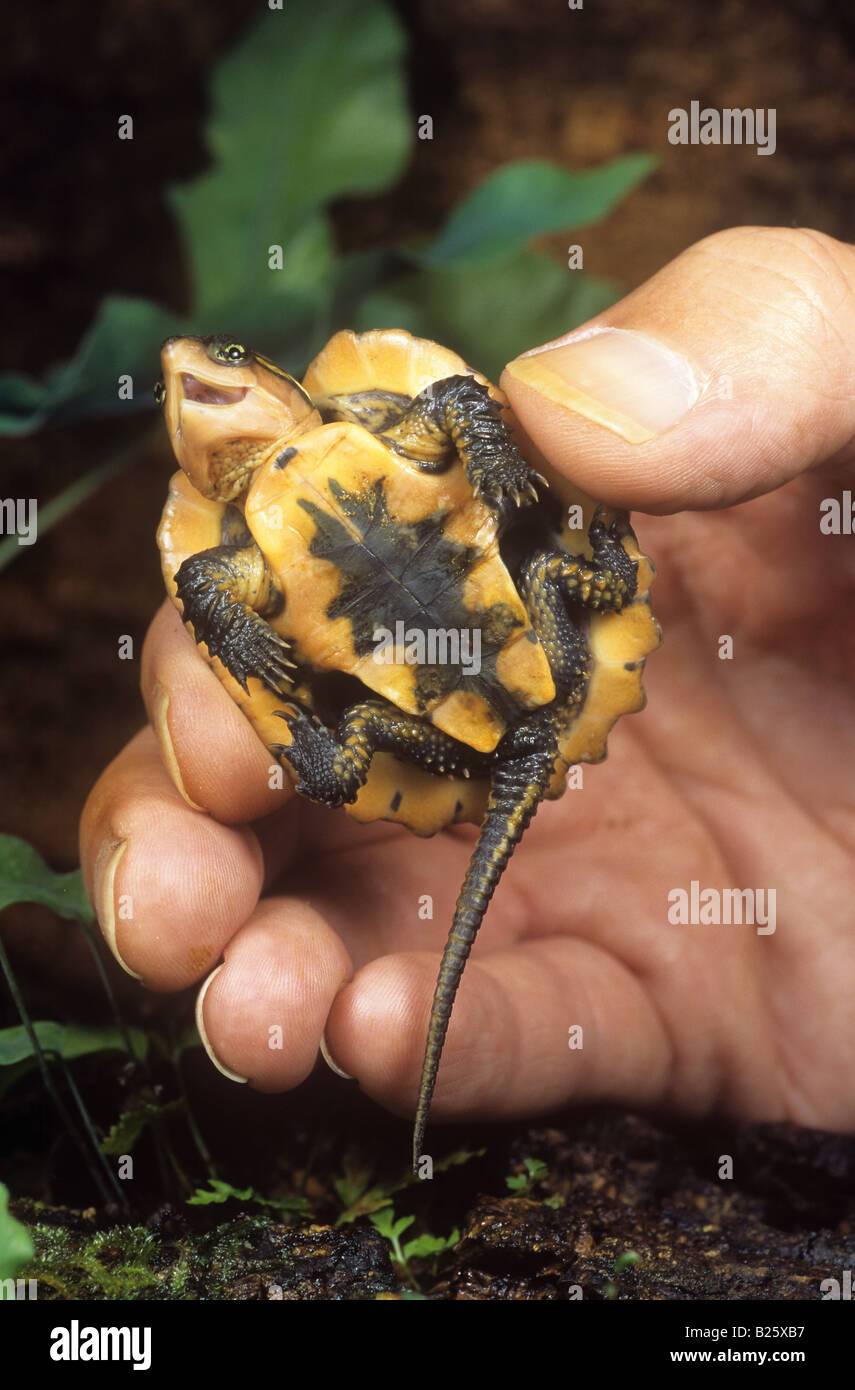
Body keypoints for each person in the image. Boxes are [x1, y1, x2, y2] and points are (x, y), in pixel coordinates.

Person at [80, 226, 855, 1134]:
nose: (191, 373)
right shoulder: (224, 565)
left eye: (225, 360)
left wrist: (497, 456)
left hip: (533, 655)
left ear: (285, 385)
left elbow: (456, 398)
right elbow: (209, 599)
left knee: (533, 602)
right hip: (441, 719)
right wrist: (263, 676)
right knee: (330, 757)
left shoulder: (373, 434)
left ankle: (415, 703)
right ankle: (384, 729)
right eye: (179, 394)